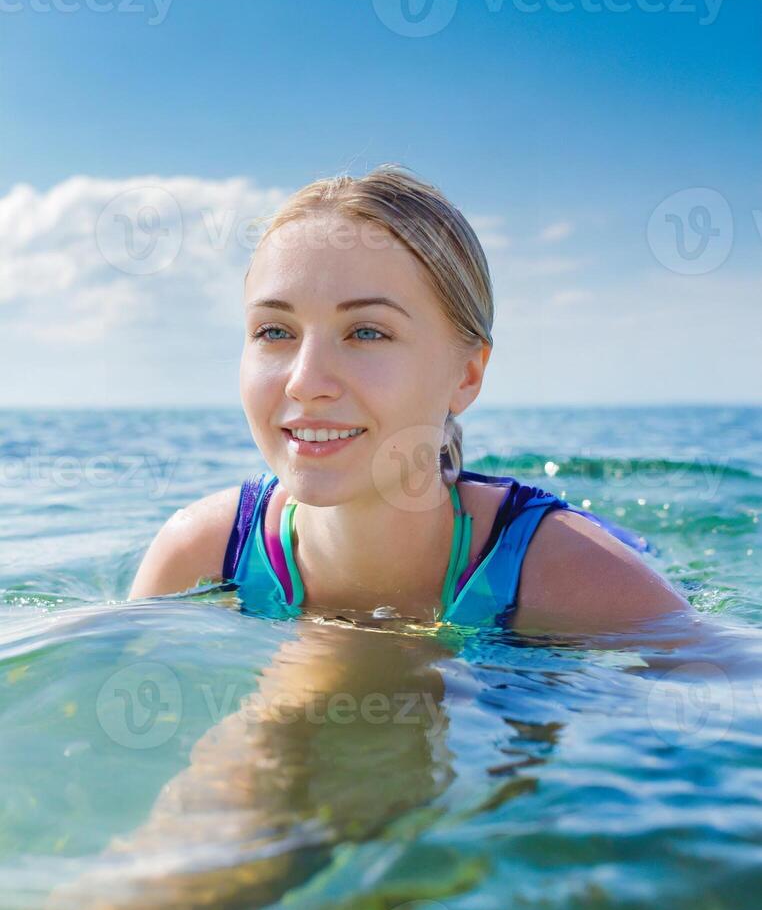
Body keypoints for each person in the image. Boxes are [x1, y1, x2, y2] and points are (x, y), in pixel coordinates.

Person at [129, 163, 692, 635]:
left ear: (467, 375)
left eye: (367, 332)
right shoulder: (203, 553)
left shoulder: (581, 575)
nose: (305, 380)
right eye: (274, 332)